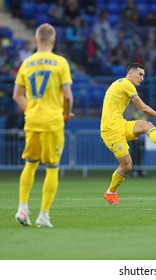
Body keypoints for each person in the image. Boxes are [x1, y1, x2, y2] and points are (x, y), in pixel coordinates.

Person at [13, 23, 74, 228]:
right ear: (53, 41)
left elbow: (16, 95)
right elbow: (67, 95)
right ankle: (43, 215)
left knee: (30, 164)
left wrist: (30, 109)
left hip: (32, 120)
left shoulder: (27, 63)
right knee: (52, 167)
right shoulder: (60, 63)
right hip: (52, 122)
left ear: (37, 40)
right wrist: (65, 114)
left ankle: (22, 208)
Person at [100, 63, 156, 205]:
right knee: (127, 166)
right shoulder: (126, 84)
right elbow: (143, 108)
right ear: (130, 74)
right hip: (111, 130)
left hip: (120, 124)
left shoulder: (120, 83)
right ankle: (110, 192)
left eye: (143, 75)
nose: (142, 78)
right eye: (140, 74)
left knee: (146, 125)